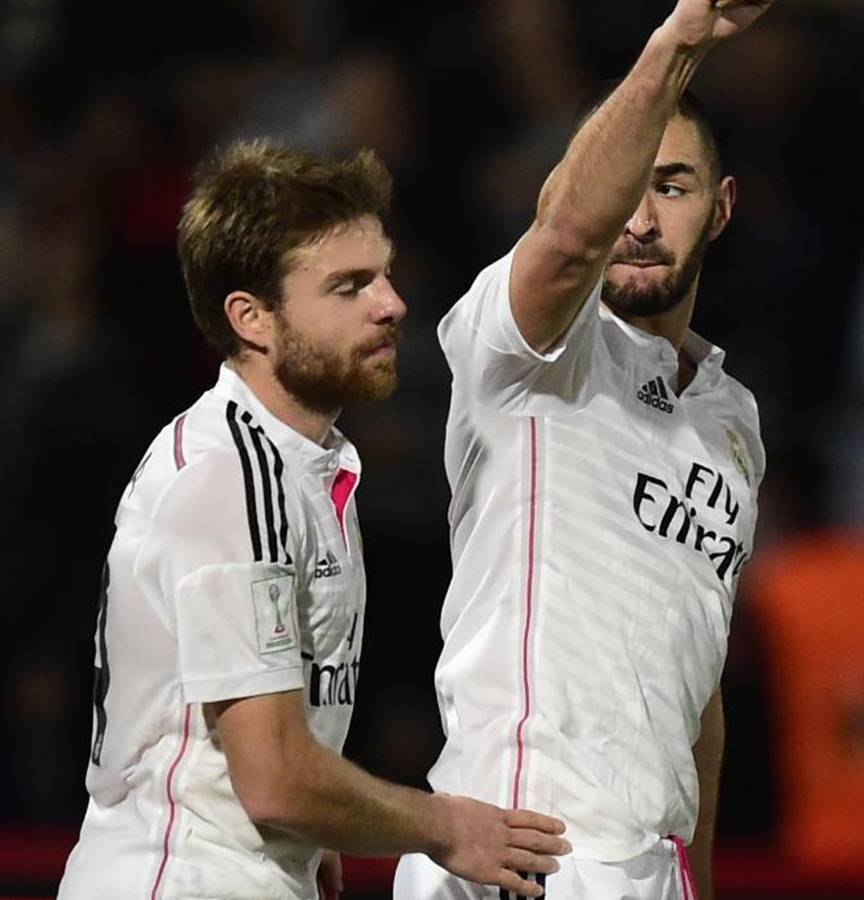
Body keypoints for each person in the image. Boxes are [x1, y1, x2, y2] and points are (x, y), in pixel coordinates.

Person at [57, 141, 570, 900]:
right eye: (348, 286)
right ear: (252, 319)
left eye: (384, 273)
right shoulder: (231, 478)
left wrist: (317, 833)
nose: (391, 303)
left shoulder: (303, 463)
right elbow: (273, 779)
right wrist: (448, 827)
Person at [394, 1, 777, 899]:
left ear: (720, 210)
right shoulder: (531, 348)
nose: (637, 219)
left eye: (672, 187)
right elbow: (569, 236)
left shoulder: (735, 420)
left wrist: (702, 875)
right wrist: (677, 45)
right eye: (623, 187)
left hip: (654, 864)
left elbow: (698, 681)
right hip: (521, 850)